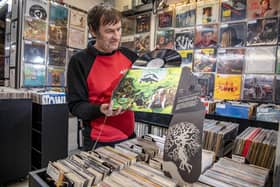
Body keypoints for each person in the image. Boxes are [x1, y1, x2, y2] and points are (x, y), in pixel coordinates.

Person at [67, 4, 138, 151]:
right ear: (93, 31)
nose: (117, 36)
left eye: (118, 29)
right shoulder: (80, 61)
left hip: (129, 136)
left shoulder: (130, 56)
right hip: (98, 141)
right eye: (109, 31)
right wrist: (101, 109)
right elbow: (75, 106)